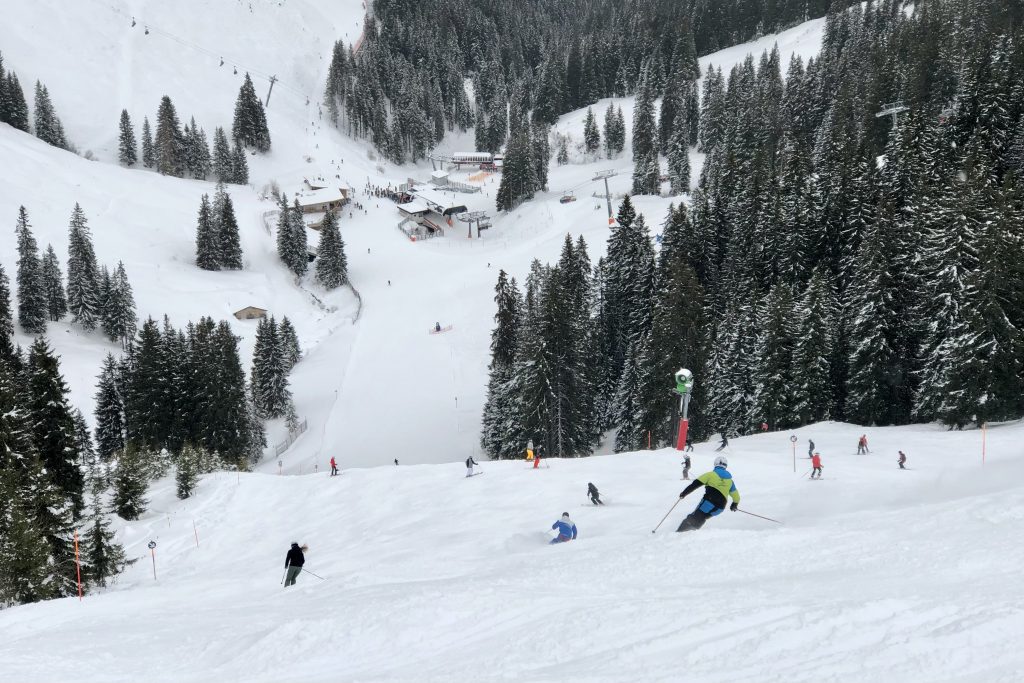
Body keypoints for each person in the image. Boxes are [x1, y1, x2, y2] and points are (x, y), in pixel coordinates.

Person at [676, 456, 740, 532]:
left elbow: (695, 484)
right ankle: (690, 535)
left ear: (715, 464)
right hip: (720, 508)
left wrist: (684, 493)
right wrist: (734, 505)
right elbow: (736, 497)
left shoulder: (710, 474)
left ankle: (678, 535)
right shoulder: (730, 481)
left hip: (709, 502)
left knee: (693, 518)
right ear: (725, 466)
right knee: (701, 518)